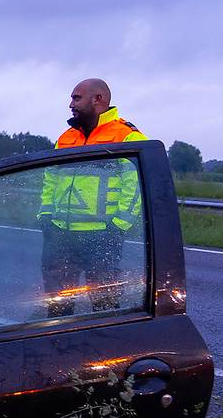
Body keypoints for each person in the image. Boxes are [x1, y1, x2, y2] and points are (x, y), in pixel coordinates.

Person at [38, 78, 147, 316]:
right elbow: (50, 179)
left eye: (76, 98)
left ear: (98, 99)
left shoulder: (127, 137)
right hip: (61, 235)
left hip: (100, 237)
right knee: (57, 307)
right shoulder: (66, 138)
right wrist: (46, 215)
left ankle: (107, 352)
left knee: (104, 308)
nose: (70, 104)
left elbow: (136, 186)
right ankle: (59, 348)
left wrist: (117, 228)